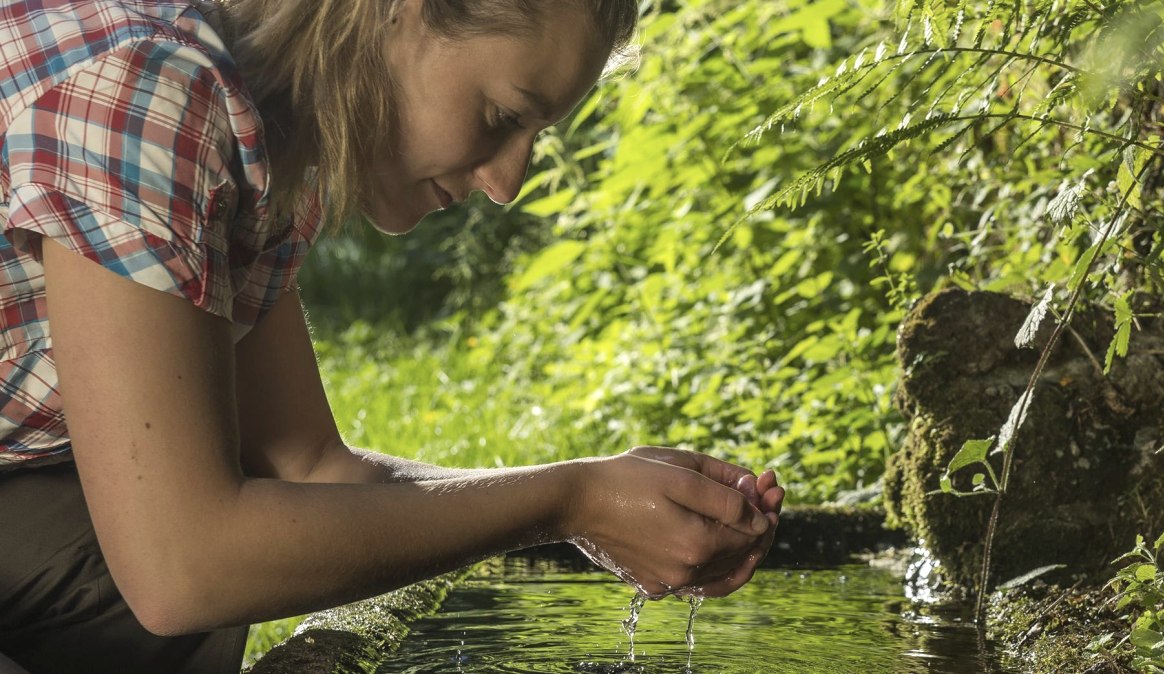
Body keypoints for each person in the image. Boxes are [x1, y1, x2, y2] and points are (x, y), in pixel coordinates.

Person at [0, 0, 785, 672]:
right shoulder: (147, 94)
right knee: (186, 558)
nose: (508, 184)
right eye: (505, 116)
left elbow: (312, 471)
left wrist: (612, 509)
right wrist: (569, 501)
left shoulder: (266, 135)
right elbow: (183, 566)